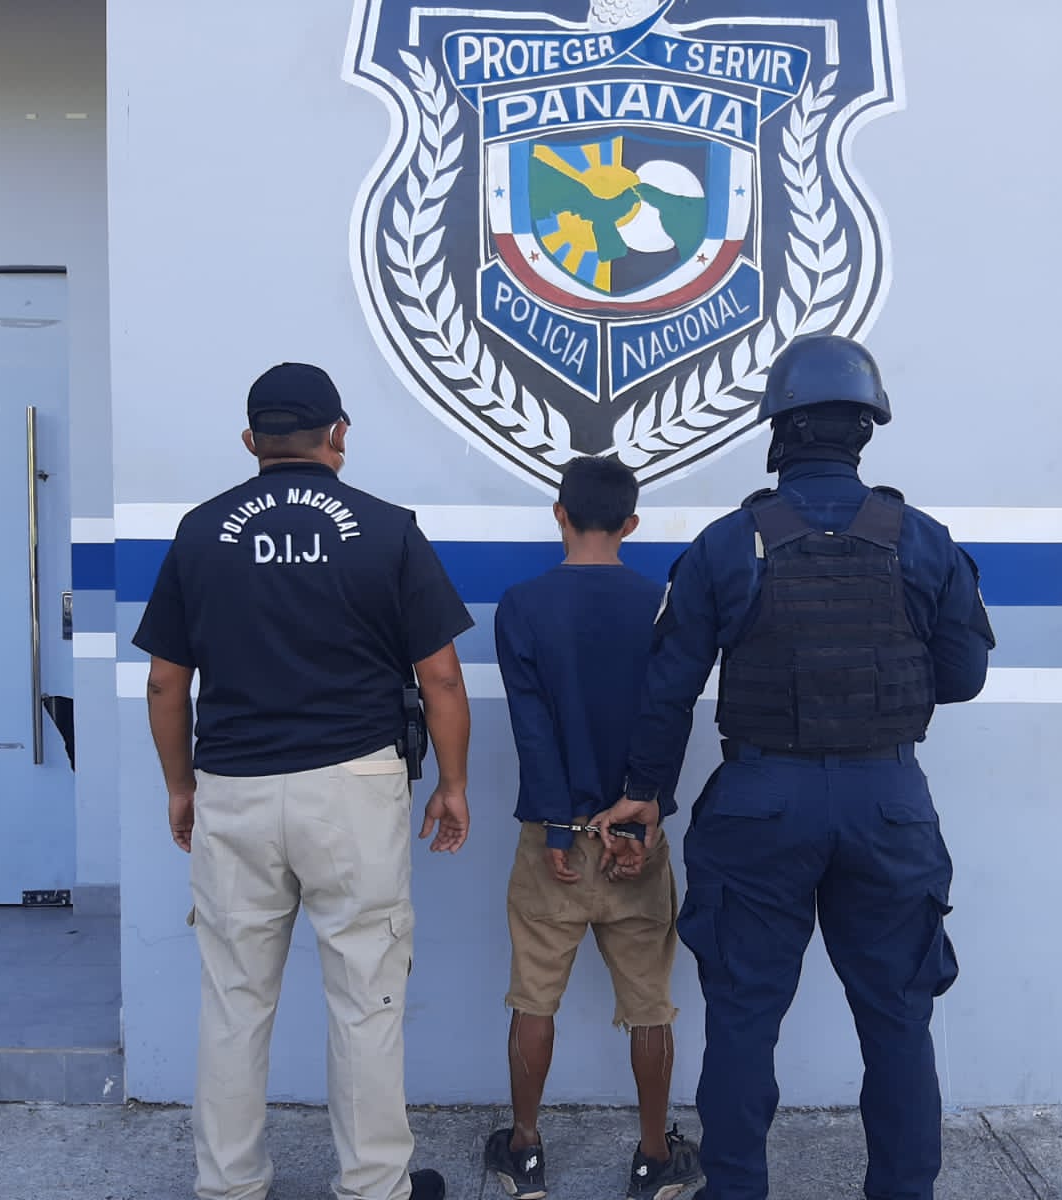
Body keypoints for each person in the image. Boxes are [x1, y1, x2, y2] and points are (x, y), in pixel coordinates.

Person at [590, 335, 995, 1200]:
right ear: (866, 430)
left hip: (760, 802)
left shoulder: (727, 544)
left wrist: (644, 796)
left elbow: (668, 691)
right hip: (888, 802)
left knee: (744, 1020)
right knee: (899, 1021)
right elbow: (963, 678)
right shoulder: (923, 541)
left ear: (778, 430)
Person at [133, 363, 474, 1200]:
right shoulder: (389, 530)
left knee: (234, 998)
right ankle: (373, 1186)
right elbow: (440, 677)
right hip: (353, 789)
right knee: (366, 994)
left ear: (251, 440)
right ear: (339, 435)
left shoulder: (199, 532)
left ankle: (229, 1185)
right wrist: (453, 782)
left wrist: (180, 785)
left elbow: (166, 684)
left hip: (234, 787)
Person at [486, 456, 703, 1200]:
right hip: (636, 837)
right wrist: (643, 813)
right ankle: (654, 1158)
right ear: (631, 524)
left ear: (559, 513)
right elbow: (670, 717)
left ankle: (524, 1153)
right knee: (650, 1003)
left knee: (533, 998)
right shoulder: (660, 606)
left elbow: (532, 728)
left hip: (554, 837)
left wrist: (556, 827)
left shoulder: (521, 605)